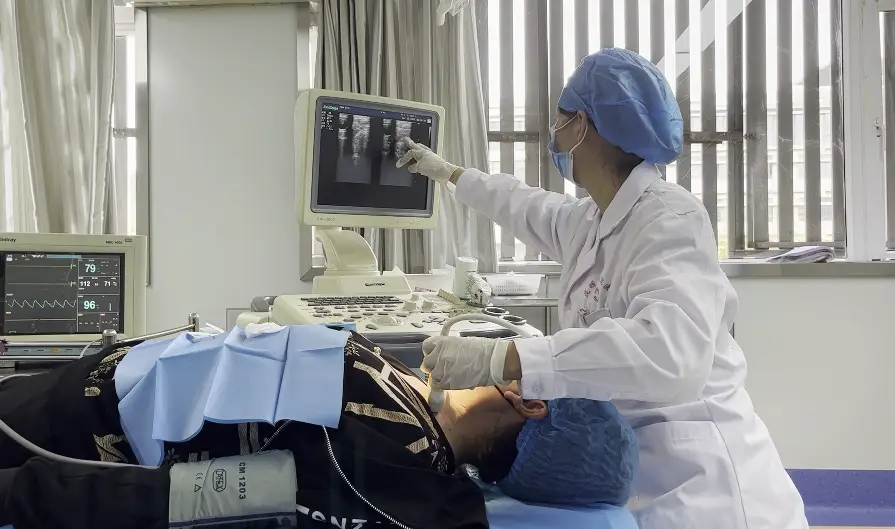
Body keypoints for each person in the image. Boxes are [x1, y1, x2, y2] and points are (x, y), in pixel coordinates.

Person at [397, 48, 808, 529]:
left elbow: (672, 353)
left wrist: (505, 358)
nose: (554, 133)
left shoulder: (669, 218)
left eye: (559, 119)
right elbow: (522, 205)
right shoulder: (592, 218)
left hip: (699, 477)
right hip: (626, 467)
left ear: (582, 126)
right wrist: (448, 174)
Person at [0, 328, 637, 529]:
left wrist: (17, 495)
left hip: (74, 425)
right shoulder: (418, 403)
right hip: (107, 375)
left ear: (533, 405)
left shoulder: (381, 470)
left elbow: (183, 499)